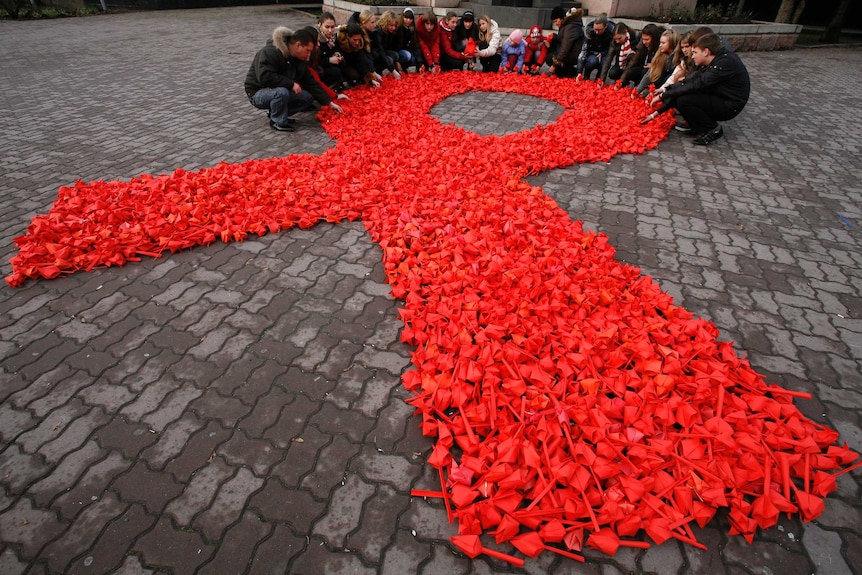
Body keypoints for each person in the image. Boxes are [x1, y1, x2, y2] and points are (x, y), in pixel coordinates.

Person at [641, 32, 750, 146]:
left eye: (695, 52)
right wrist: (663, 96)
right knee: (682, 97)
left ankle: (713, 129)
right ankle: (697, 127)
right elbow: (689, 81)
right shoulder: (714, 60)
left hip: (730, 105)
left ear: (706, 52)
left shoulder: (723, 64)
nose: (692, 56)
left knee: (685, 100)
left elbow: (695, 85)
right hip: (720, 96)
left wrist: (664, 96)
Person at [244, 26, 344, 132]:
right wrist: (291, 84)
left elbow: (311, 82)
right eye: (308, 50)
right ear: (298, 45)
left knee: (308, 97)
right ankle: (277, 120)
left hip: (277, 89)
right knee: (281, 92)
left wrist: (329, 102)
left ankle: (278, 112)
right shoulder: (271, 52)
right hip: (257, 92)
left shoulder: (298, 58)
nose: (309, 55)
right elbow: (265, 76)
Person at [336, 23, 382, 88]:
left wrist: (372, 78)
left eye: (359, 40)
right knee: (354, 74)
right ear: (347, 37)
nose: (357, 42)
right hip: (342, 66)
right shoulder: (339, 43)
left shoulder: (358, 45)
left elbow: (362, 61)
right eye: (354, 40)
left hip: (354, 64)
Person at [636, 28, 678, 96]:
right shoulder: (660, 54)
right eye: (660, 42)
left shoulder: (677, 57)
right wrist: (637, 90)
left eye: (663, 43)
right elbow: (650, 72)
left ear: (672, 43)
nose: (660, 45)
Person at [620, 23, 663, 88]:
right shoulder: (642, 44)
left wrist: (653, 65)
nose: (644, 42)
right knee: (631, 71)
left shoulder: (661, 46)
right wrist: (621, 81)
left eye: (647, 39)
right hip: (643, 66)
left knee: (645, 72)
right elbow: (634, 60)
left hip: (655, 70)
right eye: (643, 39)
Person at [548, 7, 584, 78]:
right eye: (554, 22)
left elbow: (565, 47)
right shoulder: (566, 25)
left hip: (572, 55)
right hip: (568, 53)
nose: (555, 23)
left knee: (550, 59)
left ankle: (571, 72)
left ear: (561, 18)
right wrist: (554, 37)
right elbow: (562, 39)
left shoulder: (570, 27)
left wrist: (554, 65)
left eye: (556, 21)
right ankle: (564, 71)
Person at [577, 13, 613, 80]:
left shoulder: (611, 33)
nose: (597, 32)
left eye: (600, 30)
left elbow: (611, 50)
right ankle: (586, 76)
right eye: (595, 29)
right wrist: (579, 72)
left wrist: (602, 54)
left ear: (606, 26)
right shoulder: (589, 32)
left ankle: (599, 79)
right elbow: (584, 51)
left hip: (604, 54)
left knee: (605, 62)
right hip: (591, 53)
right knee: (592, 61)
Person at [315, 12, 344, 91]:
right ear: (319, 25)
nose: (330, 30)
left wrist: (337, 54)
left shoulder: (333, 37)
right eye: (327, 27)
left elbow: (338, 49)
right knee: (335, 71)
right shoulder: (316, 38)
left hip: (331, 63)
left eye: (332, 27)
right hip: (320, 67)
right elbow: (315, 61)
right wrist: (329, 60)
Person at [376, 11, 405, 77]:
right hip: (377, 55)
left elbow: (392, 47)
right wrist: (392, 70)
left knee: (395, 55)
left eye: (395, 26)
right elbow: (381, 52)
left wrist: (396, 62)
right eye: (391, 25)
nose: (393, 28)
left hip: (384, 52)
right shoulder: (377, 33)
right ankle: (377, 71)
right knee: (390, 59)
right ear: (385, 23)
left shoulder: (389, 32)